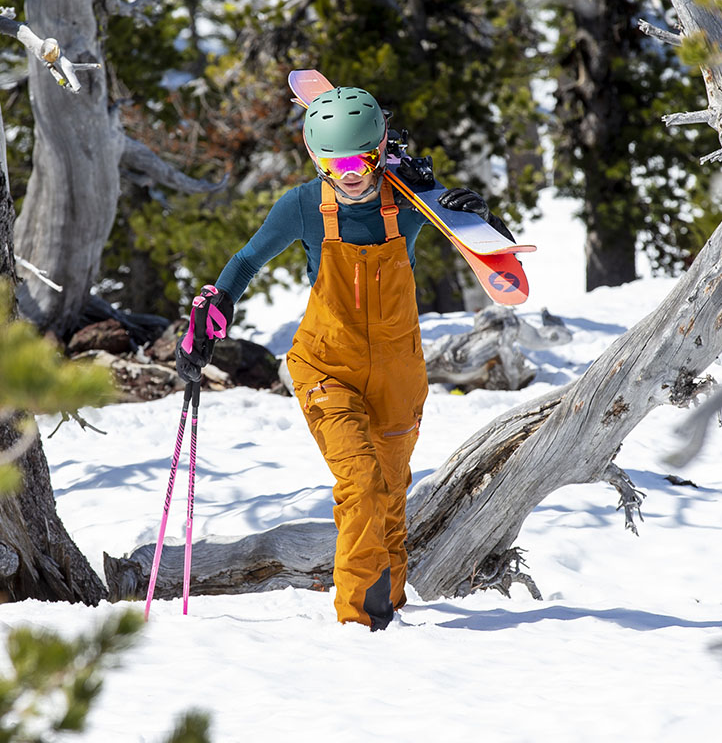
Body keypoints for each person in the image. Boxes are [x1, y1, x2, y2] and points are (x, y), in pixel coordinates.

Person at [176, 86, 493, 630]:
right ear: (313, 156)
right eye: (333, 162)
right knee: (363, 486)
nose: (349, 173)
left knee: (391, 496)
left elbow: (488, 252)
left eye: (362, 159)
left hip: (398, 373)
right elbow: (246, 260)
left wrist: (472, 210)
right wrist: (217, 304)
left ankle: (390, 614)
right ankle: (360, 622)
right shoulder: (302, 206)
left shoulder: (411, 201)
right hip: (327, 369)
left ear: (382, 150)